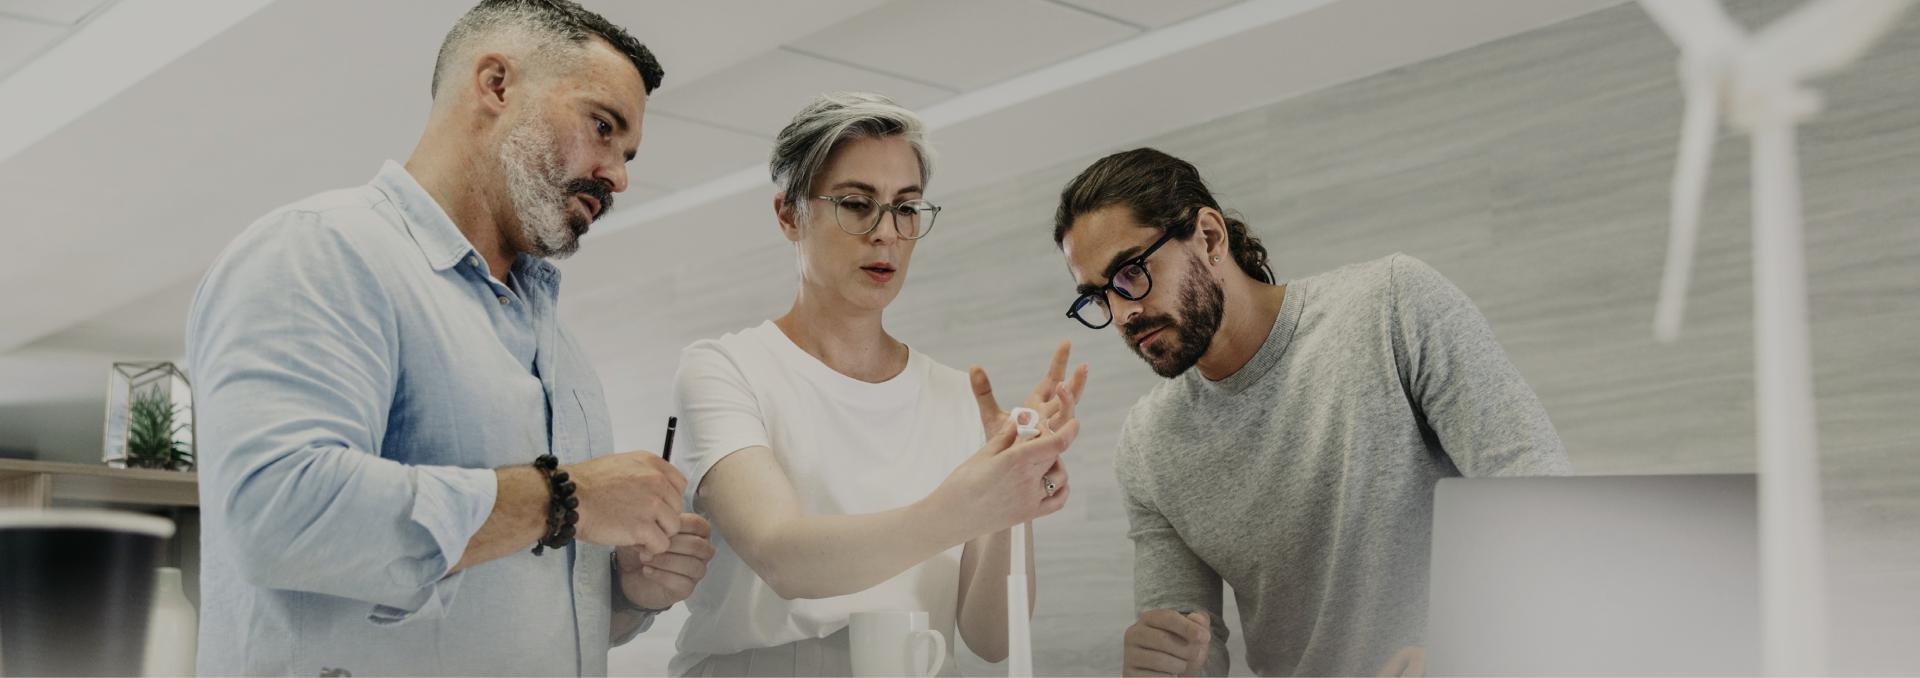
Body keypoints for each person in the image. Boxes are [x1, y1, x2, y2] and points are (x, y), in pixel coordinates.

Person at [185, 1, 710, 674]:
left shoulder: (559, 348)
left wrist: (627, 593)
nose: (619, 175)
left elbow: (502, 604)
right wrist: (563, 498)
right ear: (495, 85)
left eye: (628, 152)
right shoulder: (321, 252)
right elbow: (278, 513)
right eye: (602, 127)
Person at [1049, 148, 1573, 677]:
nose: (1122, 313)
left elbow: (1538, 494)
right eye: (1096, 298)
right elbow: (1193, 647)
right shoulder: (1147, 443)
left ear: (1208, 236)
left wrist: (1468, 650)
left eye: (1130, 272)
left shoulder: (1392, 305)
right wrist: (1167, 664)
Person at [666, 92, 1089, 676]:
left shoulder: (957, 397)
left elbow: (992, 638)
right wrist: (965, 506)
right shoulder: (726, 368)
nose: (886, 233)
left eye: (907, 208)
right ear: (789, 214)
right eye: (856, 204)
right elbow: (785, 558)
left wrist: (1010, 492)